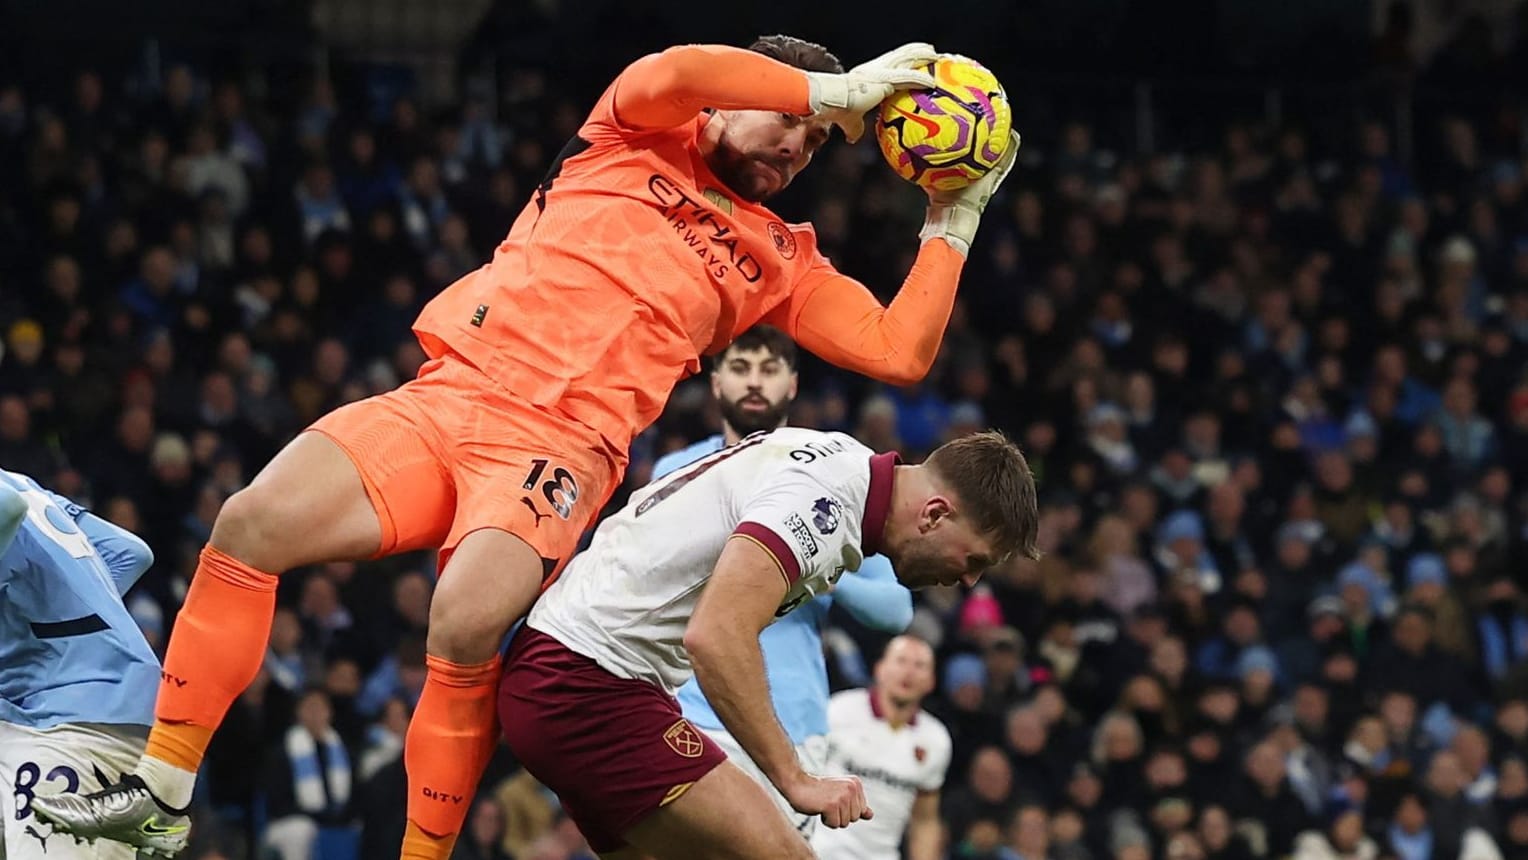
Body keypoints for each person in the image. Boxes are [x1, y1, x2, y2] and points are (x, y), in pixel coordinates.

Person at [36, 34, 1021, 859]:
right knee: (248, 524)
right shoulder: (631, 128)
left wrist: (953, 215)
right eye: (786, 126)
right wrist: (833, 93)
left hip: (555, 451)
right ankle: (157, 804)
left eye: (813, 148)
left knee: (461, 627)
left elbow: (899, 349)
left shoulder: (780, 257)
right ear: (724, 106)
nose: (795, 150)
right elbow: (674, 70)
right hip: (448, 396)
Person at [499, 429, 1039, 859]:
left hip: (576, 677)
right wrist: (795, 779)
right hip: (585, 683)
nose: (969, 582)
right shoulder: (828, 500)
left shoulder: (839, 461)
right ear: (936, 514)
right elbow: (716, 635)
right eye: (974, 561)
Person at [657, 324, 913, 837]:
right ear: (715, 383)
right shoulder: (677, 468)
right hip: (689, 704)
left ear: (792, 385)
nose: (755, 383)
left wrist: (818, 565)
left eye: (770, 370)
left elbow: (897, 610)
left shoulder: (836, 471)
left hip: (795, 719)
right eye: (740, 368)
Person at [0, 469, 163, 858]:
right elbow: (131, 553)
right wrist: (53, 632)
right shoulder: (24, 482)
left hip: (67, 729)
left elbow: (7, 509)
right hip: (119, 716)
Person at [811, 636, 950, 860]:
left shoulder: (936, 739)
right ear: (880, 669)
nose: (909, 672)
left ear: (931, 681)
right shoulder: (838, 711)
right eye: (901, 661)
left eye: (919, 666)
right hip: (819, 852)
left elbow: (925, 820)